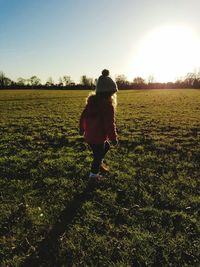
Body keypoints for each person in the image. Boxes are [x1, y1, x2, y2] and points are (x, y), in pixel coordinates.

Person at [79, 69, 118, 181]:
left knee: (106, 147)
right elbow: (109, 124)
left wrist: (81, 129)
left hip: (89, 136)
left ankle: (99, 164)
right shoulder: (107, 106)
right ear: (109, 93)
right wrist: (113, 138)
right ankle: (93, 176)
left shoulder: (91, 102)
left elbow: (83, 116)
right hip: (98, 137)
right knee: (97, 156)